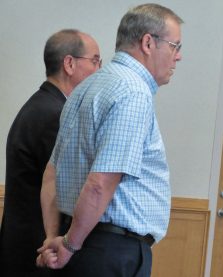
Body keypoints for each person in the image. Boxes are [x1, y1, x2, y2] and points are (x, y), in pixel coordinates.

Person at [37, 4, 183, 277]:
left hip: (81, 244)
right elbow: (99, 184)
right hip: (110, 252)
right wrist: (69, 245)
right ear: (148, 43)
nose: (179, 57)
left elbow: (50, 174)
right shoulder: (133, 92)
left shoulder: (84, 88)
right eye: (175, 46)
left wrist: (53, 239)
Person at [0, 29, 101, 277]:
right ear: (69, 63)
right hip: (37, 250)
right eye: (96, 60)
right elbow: (66, 185)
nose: (100, 70)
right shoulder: (54, 114)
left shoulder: (43, 104)